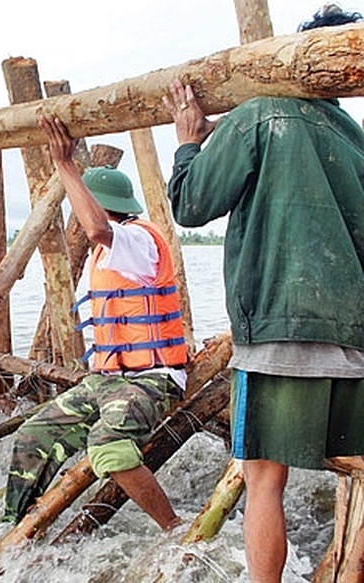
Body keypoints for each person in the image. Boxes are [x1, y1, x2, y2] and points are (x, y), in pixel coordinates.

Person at [162, 5, 364, 581]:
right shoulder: (356, 141)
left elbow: (192, 204)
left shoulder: (260, 115)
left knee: (262, 477)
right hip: (354, 336)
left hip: (278, 330)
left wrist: (187, 145)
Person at [1, 114, 188, 530]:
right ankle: (14, 529)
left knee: (108, 445)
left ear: (103, 205)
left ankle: (173, 529)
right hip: (105, 380)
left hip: (151, 379)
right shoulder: (109, 251)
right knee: (34, 435)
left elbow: (96, 227)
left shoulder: (137, 238)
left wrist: (66, 166)